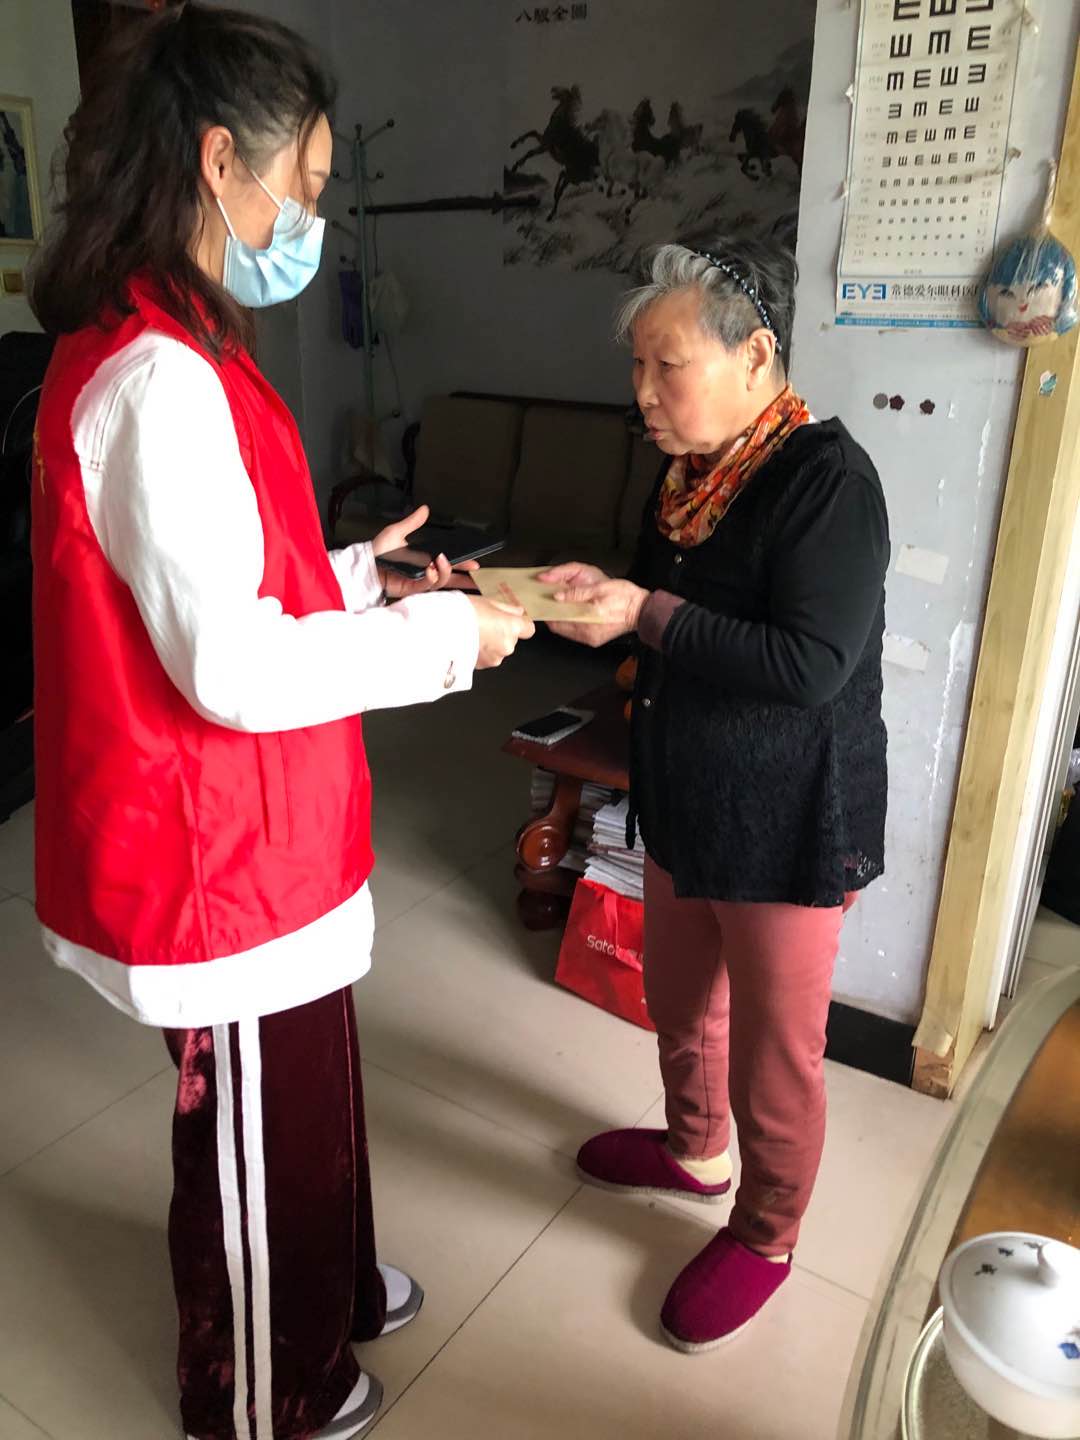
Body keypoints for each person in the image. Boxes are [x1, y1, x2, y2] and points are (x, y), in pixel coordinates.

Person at [30, 6, 533, 1437]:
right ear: (218, 162)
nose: (310, 217)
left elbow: (229, 576)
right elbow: (231, 664)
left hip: (266, 831)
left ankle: (333, 1287)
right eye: (303, 185)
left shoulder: (194, 338)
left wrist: (365, 576)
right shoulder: (156, 376)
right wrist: (442, 639)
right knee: (254, 1122)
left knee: (311, 1088)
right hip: (212, 854)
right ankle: (264, 1388)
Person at [543, 234, 889, 1350]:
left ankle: (768, 1233)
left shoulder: (828, 482)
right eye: (636, 367)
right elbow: (661, 615)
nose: (642, 394)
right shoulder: (691, 474)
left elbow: (810, 666)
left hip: (790, 818)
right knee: (681, 998)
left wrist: (642, 611)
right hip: (688, 791)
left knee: (775, 1053)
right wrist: (594, 603)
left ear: (755, 356)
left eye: (667, 367)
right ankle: (696, 1152)